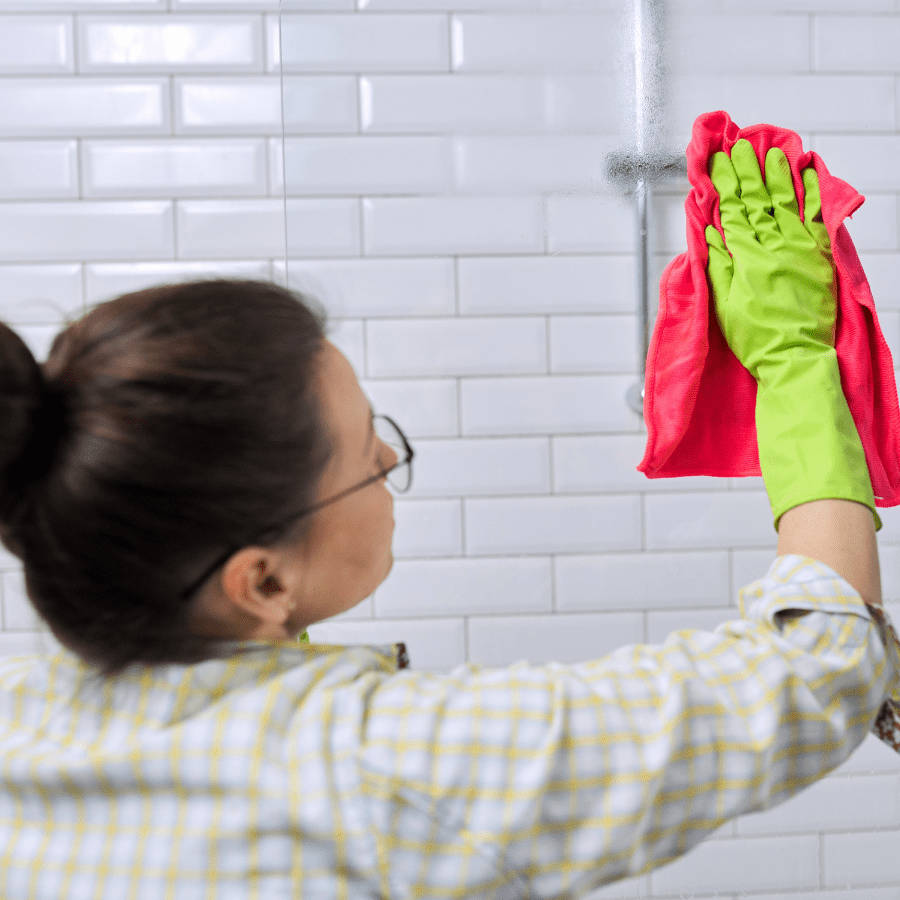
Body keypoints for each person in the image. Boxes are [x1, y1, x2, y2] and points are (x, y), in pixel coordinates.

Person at [0, 147, 896, 900]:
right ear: (261, 580)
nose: (389, 461)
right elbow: (815, 671)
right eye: (364, 452)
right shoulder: (373, 770)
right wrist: (794, 363)